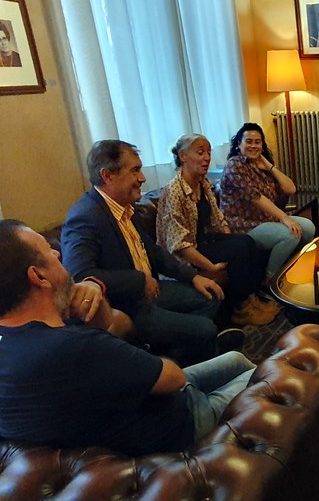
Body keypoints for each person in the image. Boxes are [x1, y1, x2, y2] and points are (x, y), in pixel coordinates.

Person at [0, 219, 258, 457]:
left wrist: (92, 292)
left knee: (237, 360)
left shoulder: (23, 339)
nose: (58, 254)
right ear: (39, 276)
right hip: (182, 423)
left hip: (149, 397)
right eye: (48, 250)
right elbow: (173, 378)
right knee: (266, 374)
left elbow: (111, 325)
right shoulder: (71, 347)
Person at [61, 140, 231, 367]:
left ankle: (176, 356)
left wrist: (193, 277)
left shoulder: (124, 206)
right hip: (127, 305)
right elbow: (80, 274)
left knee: (211, 296)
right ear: (107, 175)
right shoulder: (85, 217)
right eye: (135, 170)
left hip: (152, 292)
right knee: (205, 328)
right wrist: (140, 280)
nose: (142, 178)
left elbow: (153, 251)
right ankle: (185, 363)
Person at [156, 134, 279, 327]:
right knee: (239, 249)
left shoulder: (202, 184)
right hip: (184, 254)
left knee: (246, 242)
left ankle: (251, 299)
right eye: (200, 153)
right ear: (183, 156)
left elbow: (218, 220)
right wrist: (211, 268)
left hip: (203, 241)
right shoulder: (173, 191)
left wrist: (232, 241)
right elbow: (179, 245)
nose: (206, 157)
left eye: (208, 152)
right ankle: (241, 308)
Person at [219, 123, 315, 283]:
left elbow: (290, 189)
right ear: (239, 144)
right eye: (249, 141)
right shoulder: (235, 165)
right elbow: (255, 197)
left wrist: (270, 167)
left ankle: (290, 268)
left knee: (308, 228)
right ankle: (271, 279)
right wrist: (285, 218)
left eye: (257, 142)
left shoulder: (260, 165)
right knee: (291, 234)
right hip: (244, 226)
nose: (253, 146)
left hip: (266, 220)